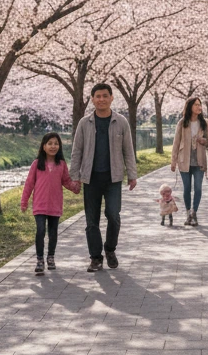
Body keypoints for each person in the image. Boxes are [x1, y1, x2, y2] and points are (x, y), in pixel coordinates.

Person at [71, 83, 137, 272]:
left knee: (113, 216)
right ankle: (95, 257)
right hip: (90, 178)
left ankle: (109, 249)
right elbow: (77, 151)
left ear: (111, 98)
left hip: (113, 178)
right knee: (91, 220)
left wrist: (132, 175)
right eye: (98, 96)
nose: (101, 99)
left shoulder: (121, 121)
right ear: (92, 99)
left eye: (105, 96)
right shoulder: (84, 123)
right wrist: (74, 176)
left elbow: (128, 151)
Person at [20, 132, 79, 275]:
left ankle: (50, 257)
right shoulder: (37, 164)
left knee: (53, 232)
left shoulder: (61, 164)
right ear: (44, 146)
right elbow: (29, 184)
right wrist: (24, 201)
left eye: (56, 143)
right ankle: (40, 259)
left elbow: (66, 181)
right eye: (50, 143)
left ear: (59, 146)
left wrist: (75, 187)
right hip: (39, 205)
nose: (53, 146)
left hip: (55, 204)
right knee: (40, 230)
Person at [170, 96, 208, 225]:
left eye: (200, 104)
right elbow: (176, 142)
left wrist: (204, 141)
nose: (199, 107)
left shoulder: (204, 123)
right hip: (184, 160)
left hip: (199, 161)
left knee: (198, 188)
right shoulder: (182, 123)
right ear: (190, 106)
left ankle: (194, 213)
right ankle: (188, 213)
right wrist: (173, 161)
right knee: (187, 188)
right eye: (196, 104)